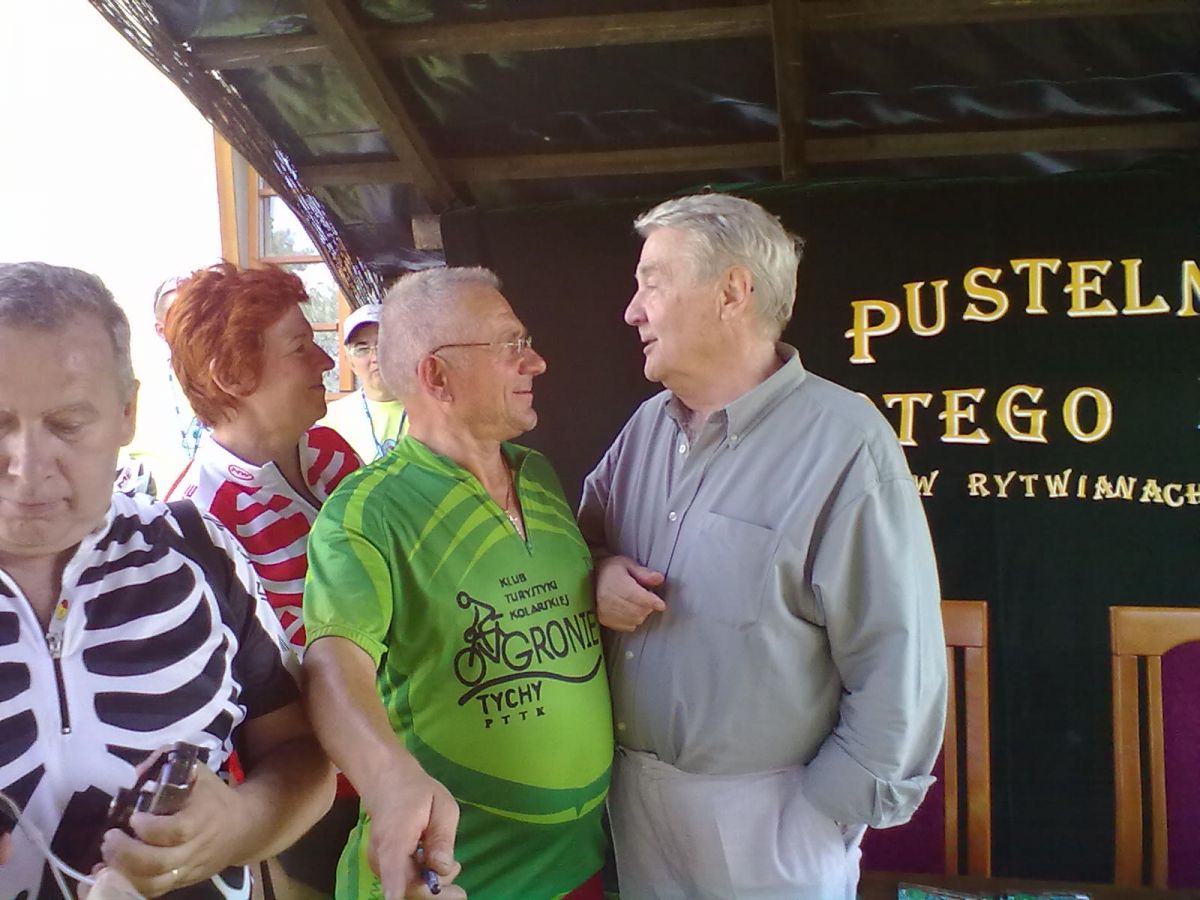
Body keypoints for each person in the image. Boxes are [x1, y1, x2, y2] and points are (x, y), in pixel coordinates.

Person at [578, 194, 948, 900]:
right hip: (633, 802)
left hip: (774, 814)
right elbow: (577, 543)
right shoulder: (645, 428)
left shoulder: (846, 440)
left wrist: (821, 814)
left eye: (653, 283)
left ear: (732, 292)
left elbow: (898, 656)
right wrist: (596, 574)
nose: (632, 311)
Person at [0, 262, 333, 899]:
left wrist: (241, 824)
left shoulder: (197, 550)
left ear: (127, 412)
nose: (28, 466)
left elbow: (300, 752)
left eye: (68, 424)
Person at [303, 267, 613, 900]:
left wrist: (604, 570)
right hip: (450, 878)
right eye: (510, 345)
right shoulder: (367, 510)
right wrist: (387, 779)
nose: (536, 362)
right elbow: (335, 662)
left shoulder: (540, 476)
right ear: (437, 376)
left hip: (577, 866)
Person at [162, 262, 361, 898]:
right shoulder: (198, 518)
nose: (326, 361)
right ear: (232, 376)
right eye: (300, 347)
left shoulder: (332, 454)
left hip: (412, 748)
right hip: (317, 796)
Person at [318, 303, 408, 462]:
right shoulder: (330, 421)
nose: (375, 357)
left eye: (383, 345)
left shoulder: (433, 411)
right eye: (362, 349)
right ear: (350, 362)